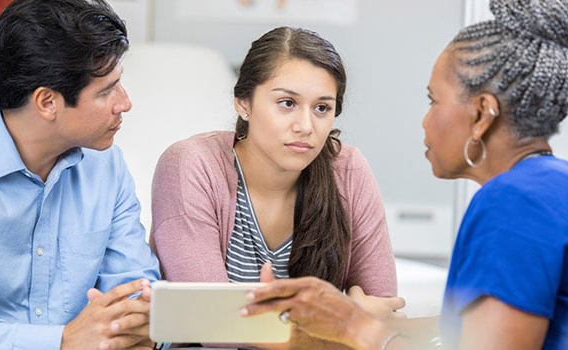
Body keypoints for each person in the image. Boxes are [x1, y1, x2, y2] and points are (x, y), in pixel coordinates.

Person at [240, 1, 568, 349]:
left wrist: (355, 326)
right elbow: (467, 336)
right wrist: (351, 323)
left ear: (481, 115)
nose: (425, 120)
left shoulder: (515, 201)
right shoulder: (554, 187)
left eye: (433, 100)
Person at [0, 1, 166, 349]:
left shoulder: (106, 166)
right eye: (106, 91)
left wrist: (138, 328)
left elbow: (135, 290)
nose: (124, 103)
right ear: (47, 102)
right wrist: (61, 340)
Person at [149, 27, 404, 348]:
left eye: (322, 108)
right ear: (243, 103)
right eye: (287, 103)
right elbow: (210, 325)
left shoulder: (348, 170)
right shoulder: (191, 163)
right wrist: (347, 317)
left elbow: (385, 313)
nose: (305, 126)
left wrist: (353, 322)